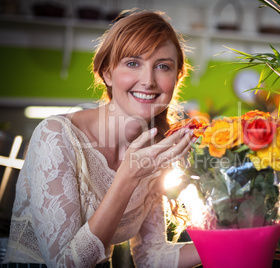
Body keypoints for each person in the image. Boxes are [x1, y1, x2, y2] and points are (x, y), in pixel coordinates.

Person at [3, 9, 201, 268]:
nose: (149, 80)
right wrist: (128, 177)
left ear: (176, 78)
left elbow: (151, 256)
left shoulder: (154, 151)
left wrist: (235, 240)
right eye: (133, 63)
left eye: (162, 66)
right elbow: (64, 264)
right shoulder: (57, 135)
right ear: (107, 73)